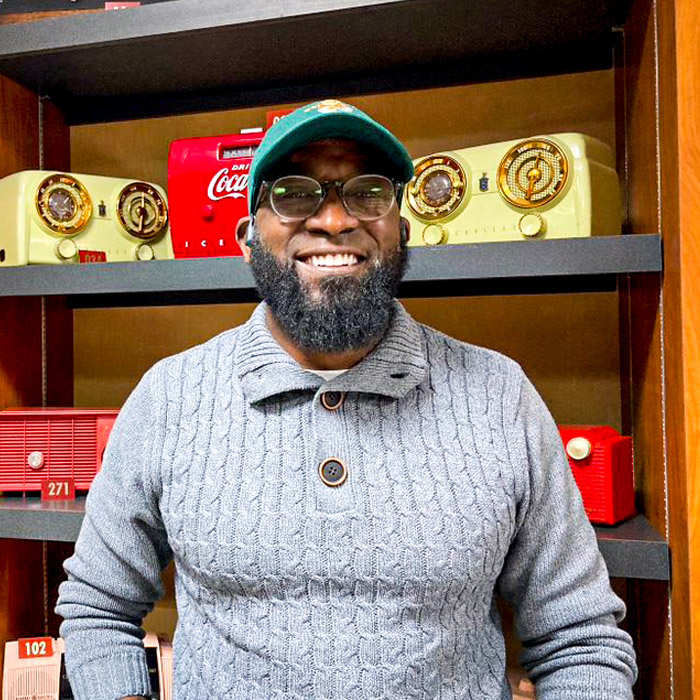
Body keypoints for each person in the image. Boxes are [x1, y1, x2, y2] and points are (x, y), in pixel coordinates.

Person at [56, 99, 637, 699]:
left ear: (402, 232)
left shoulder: (499, 396)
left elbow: (581, 640)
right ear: (247, 238)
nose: (334, 219)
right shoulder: (170, 397)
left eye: (367, 192)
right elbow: (98, 607)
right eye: (294, 192)